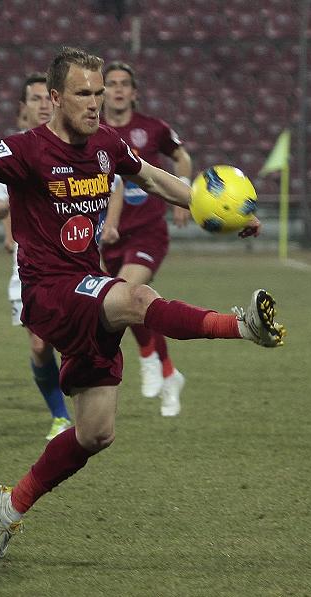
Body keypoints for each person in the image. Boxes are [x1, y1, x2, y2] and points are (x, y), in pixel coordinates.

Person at [0, 46, 286, 561]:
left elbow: (156, 180)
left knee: (95, 433)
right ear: (54, 98)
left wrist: (220, 213)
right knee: (137, 298)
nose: (95, 103)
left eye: (98, 93)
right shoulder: (25, 149)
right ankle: (243, 326)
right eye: (83, 94)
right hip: (49, 291)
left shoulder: (107, 145)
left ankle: (11, 503)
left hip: (87, 289)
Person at [0, 73, 73, 441]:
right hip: (29, 265)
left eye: (47, 97)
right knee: (38, 344)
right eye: (35, 99)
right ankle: (61, 417)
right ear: (24, 107)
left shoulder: (76, 145)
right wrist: (6, 212)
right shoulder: (13, 150)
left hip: (72, 263)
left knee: (74, 341)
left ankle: (87, 410)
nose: (43, 104)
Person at [100, 61, 192, 417]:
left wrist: (183, 195)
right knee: (128, 303)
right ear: (103, 91)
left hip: (149, 231)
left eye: (125, 84)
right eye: (112, 84)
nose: (118, 89)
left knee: (125, 291)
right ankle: (170, 373)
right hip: (109, 234)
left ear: (135, 93)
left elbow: (182, 157)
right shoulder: (97, 131)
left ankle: (147, 358)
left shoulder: (153, 129)